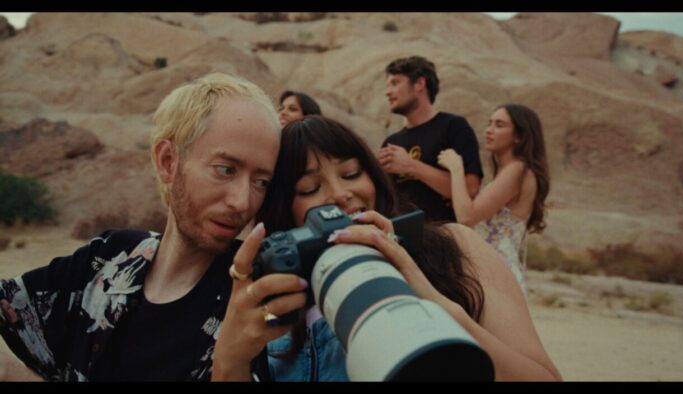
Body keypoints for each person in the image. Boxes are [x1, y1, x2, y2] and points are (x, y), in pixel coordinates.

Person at [211, 115, 561, 381]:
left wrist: (434, 303)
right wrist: (231, 357)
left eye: (350, 174)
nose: (339, 194)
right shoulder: (281, 296)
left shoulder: (455, 247)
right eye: (309, 188)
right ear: (285, 211)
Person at [0, 72, 293, 381]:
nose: (242, 202)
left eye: (261, 182)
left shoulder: (253, 298)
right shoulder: (108, 259)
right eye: (225, 169)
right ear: (168, 161)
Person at [437, 103, 550, 292]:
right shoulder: (512, 171)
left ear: (519, 136)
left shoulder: (517, 169)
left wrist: (456, 167)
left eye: (499, 125)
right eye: (489, 123)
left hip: (498, 274)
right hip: (491, 270)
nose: (489, 130)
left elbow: (466, 217)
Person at [377, 56, 483, 223]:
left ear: (419, 84)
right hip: (402, 240)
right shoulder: (392, 142)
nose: (388, 92)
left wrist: (411, 165)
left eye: (395, 83)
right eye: (388, 85)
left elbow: (470, 189)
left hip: (446, 237)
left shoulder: (454, 127)